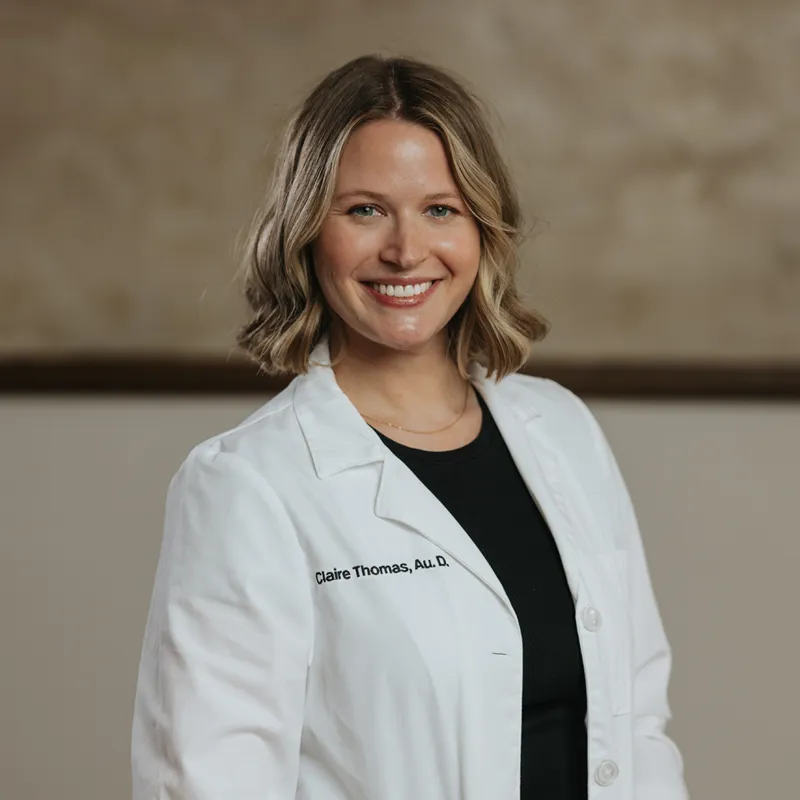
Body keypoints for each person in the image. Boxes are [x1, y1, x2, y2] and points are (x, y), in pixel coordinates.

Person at [131, 54, 688, 800]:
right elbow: (207, 784)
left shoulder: (562, 429)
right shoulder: (245, 485)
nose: (404, 250)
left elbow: (639, 721)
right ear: (305, 230)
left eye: (440, 209)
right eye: (364, 209)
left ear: (482, 228)